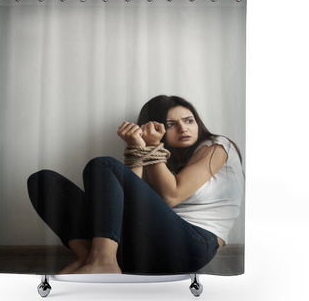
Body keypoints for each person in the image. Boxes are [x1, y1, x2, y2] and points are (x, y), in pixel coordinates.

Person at [27, 95, 244, 275]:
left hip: (191, 246)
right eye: (171, 124)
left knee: (102, 164)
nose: (183, 128)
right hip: (139, 250)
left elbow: (172, 196)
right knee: (42, 181)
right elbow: (124, 204)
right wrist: (137, 148)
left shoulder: (217, 146)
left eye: (189, 120)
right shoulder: (162, 158)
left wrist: (151, 146)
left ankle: (103, 262)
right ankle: (90, 257)